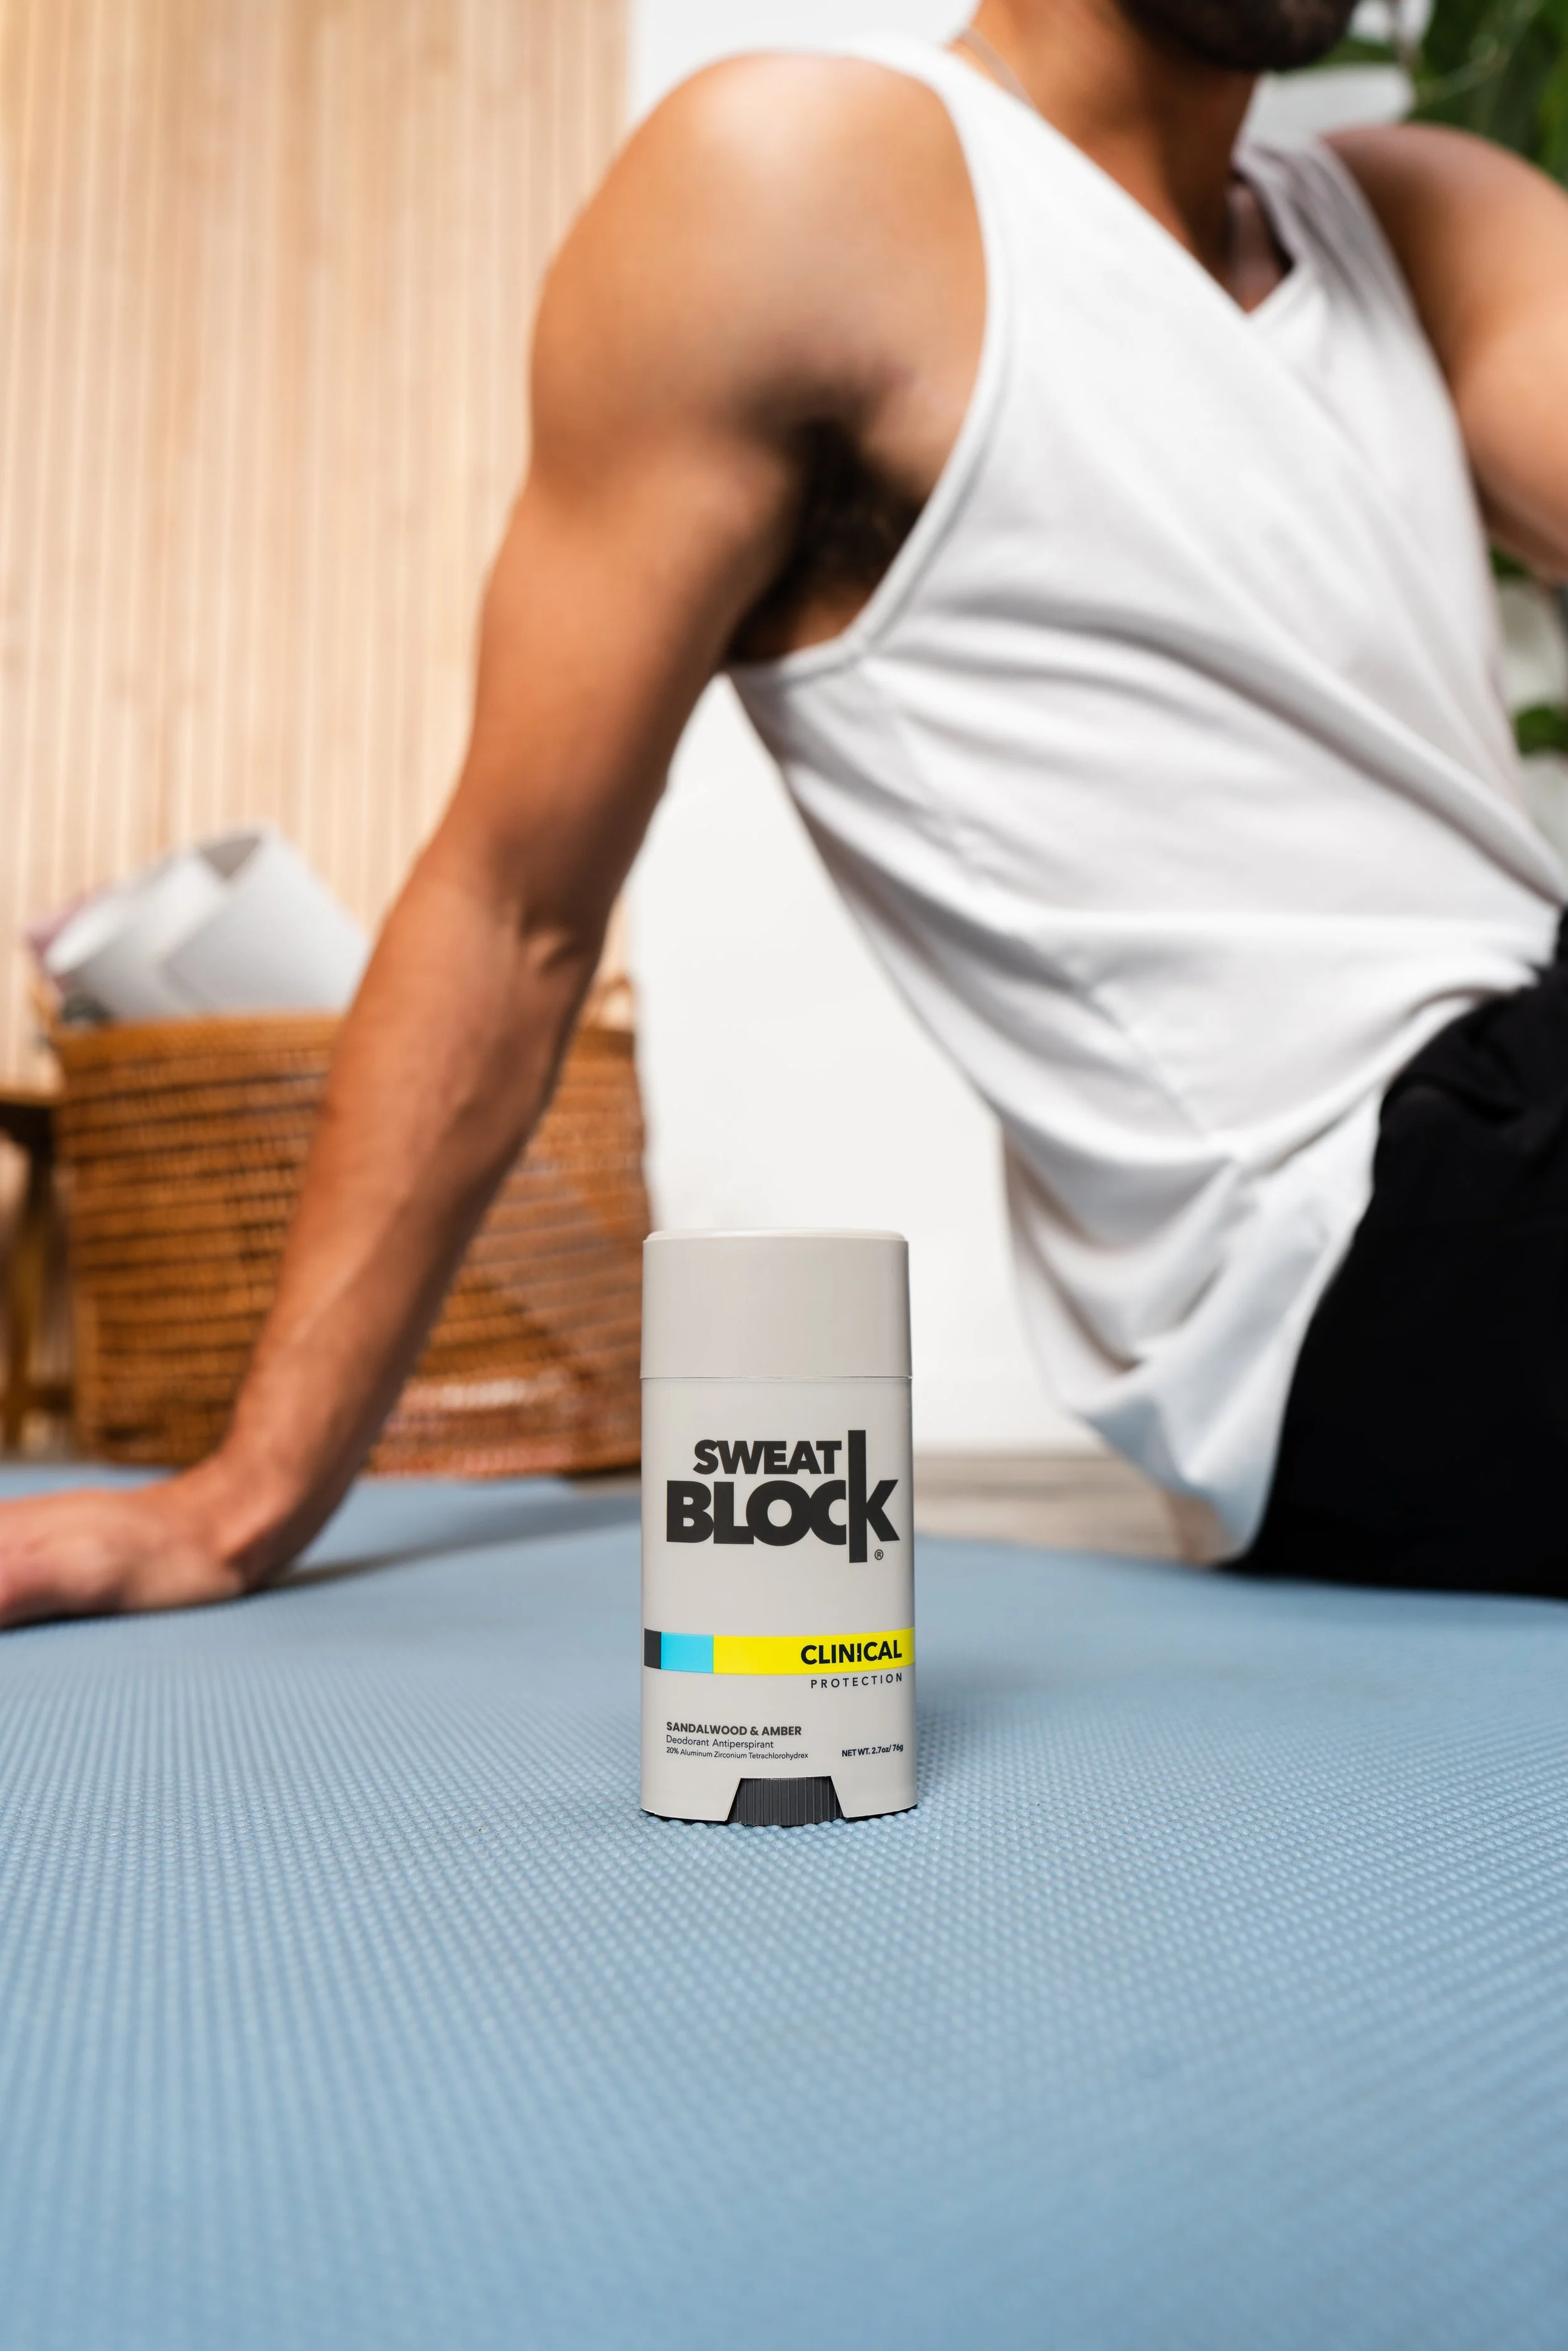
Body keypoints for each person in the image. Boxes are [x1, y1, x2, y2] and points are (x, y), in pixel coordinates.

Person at [4, 0, 1568, 1626]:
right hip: (1365, 1246)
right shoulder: (803, 186)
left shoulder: (1416, 221)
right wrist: (239, 1501)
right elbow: (512, 904)